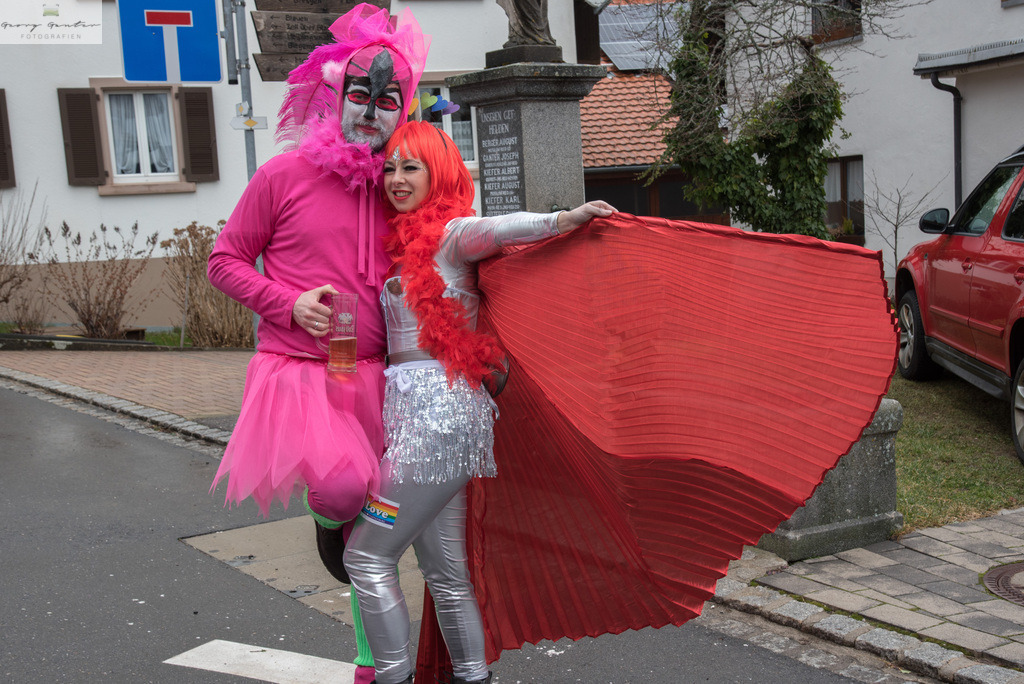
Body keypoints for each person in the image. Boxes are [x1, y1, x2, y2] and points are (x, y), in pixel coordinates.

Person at [341, 120, 616, 684]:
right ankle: (472, 678)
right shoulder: (395, 242)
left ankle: (392, 678)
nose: (396, 178)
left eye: (410, 167)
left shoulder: (449, 235)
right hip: (426, 418)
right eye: (389, 167)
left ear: (438, 171)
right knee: (446, 574)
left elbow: (497, 231)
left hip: (439, 418)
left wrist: (563, 219)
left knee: (366, 556)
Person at [206, 5, 428, 683]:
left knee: (377, 536)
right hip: (301, 376)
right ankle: (327, 522)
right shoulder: (283, 176)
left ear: (404, 109)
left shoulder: (400, 183)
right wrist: (287, 302)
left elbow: (454, 242)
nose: (370, 111)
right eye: (359, 95)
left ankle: (370, 664)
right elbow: (224, 260)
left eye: (387, 100)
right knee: (342, 491)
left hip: (376, 379)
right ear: (335, 96)